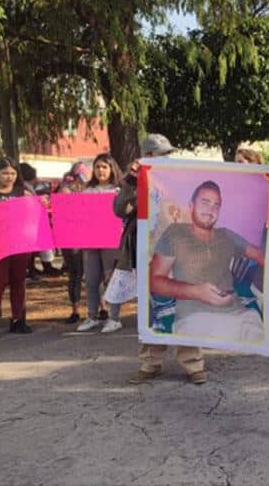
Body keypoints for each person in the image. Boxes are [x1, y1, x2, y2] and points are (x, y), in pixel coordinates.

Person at [121, 134, 208, 385]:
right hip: (149, 255)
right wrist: (130, 182)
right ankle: (151, 361)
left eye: (168, 154)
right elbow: (119, 209)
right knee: (152, 309)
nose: (167, 158)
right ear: (147, 156)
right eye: (161, 154)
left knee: (186, 307)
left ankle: (193, 363)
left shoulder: (182, 180)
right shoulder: (137, 182)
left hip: (181, 255)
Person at [149, 180, 265, 343]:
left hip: (240, 317)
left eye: (216, 205)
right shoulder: (175, 233)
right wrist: (196, 292)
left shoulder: (226, 236)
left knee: (262, 345)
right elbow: (154, 282)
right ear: (191, 206)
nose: (210, 210)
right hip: (195, 318)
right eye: (205, 203)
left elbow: (261, 257)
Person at [75, 154, 125, 333]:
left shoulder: (119, 191)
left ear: (112, 169)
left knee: (110, 279)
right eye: (97, 167)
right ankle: (91, 316)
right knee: (91, 280)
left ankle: (114, 317)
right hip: (90, 241)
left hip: (112, 241)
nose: (100, 170)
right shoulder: (86, 192)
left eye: (104, 167)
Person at [0, 156, 37, 337]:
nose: (9, 177)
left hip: (19, 245)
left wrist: (39, 204)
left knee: (19, 281)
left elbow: (34, 214)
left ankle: (18, 319)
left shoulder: (23, 192)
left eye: (12, 173)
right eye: (5, 173)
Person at [58, 162, 91, 323]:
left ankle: (102, 307)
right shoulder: (66, 190)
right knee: (76, 273)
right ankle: (75, 310)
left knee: (94, 274)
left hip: (90, 236)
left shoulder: (89, 190)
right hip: (72, 238)